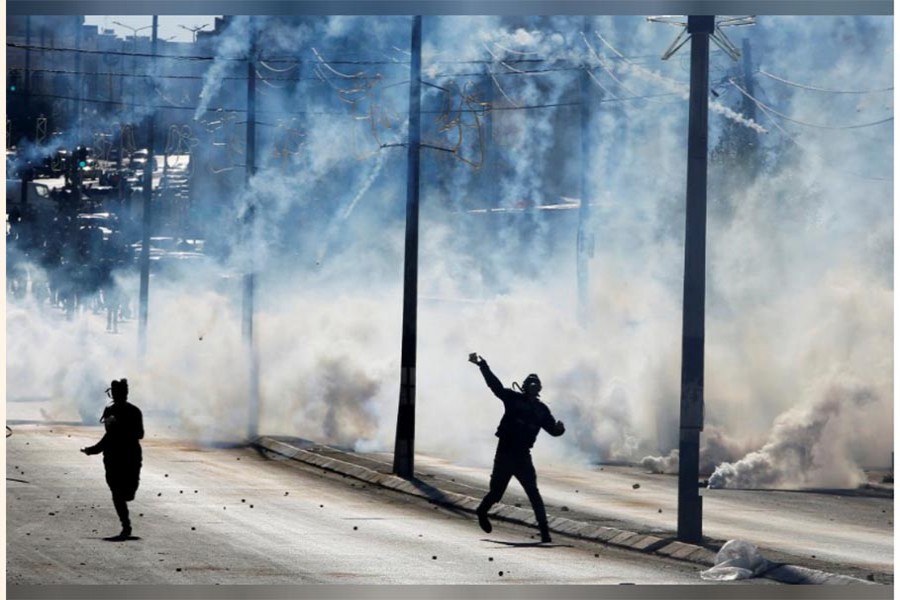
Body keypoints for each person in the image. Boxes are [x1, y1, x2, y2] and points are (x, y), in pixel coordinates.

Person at [469, 353, 565, 543]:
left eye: (536, 384)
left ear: (539, 389)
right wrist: (483, 366)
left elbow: (552, 430)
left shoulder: (541, 410)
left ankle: (545, 533)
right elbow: (494, 386)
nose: (533, 387)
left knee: (534, 495)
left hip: (522, 455)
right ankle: (482, 511)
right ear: (524, 387)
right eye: (530, 383)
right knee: (496, 492)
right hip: (505, 452)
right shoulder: (513, 399)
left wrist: (560, 430)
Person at [81, 379, 144, 539]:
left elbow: (139, 434)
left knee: (128, 493)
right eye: (116, 392)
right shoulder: (111, 411)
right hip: (114, 457)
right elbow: (109, 437)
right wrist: (93, 450)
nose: (116, 395)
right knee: (117, 493)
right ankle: (126, 524)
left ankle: (125, 520)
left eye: (118, 392)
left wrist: (120, 428)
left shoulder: (134, 411)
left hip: (129, 455)